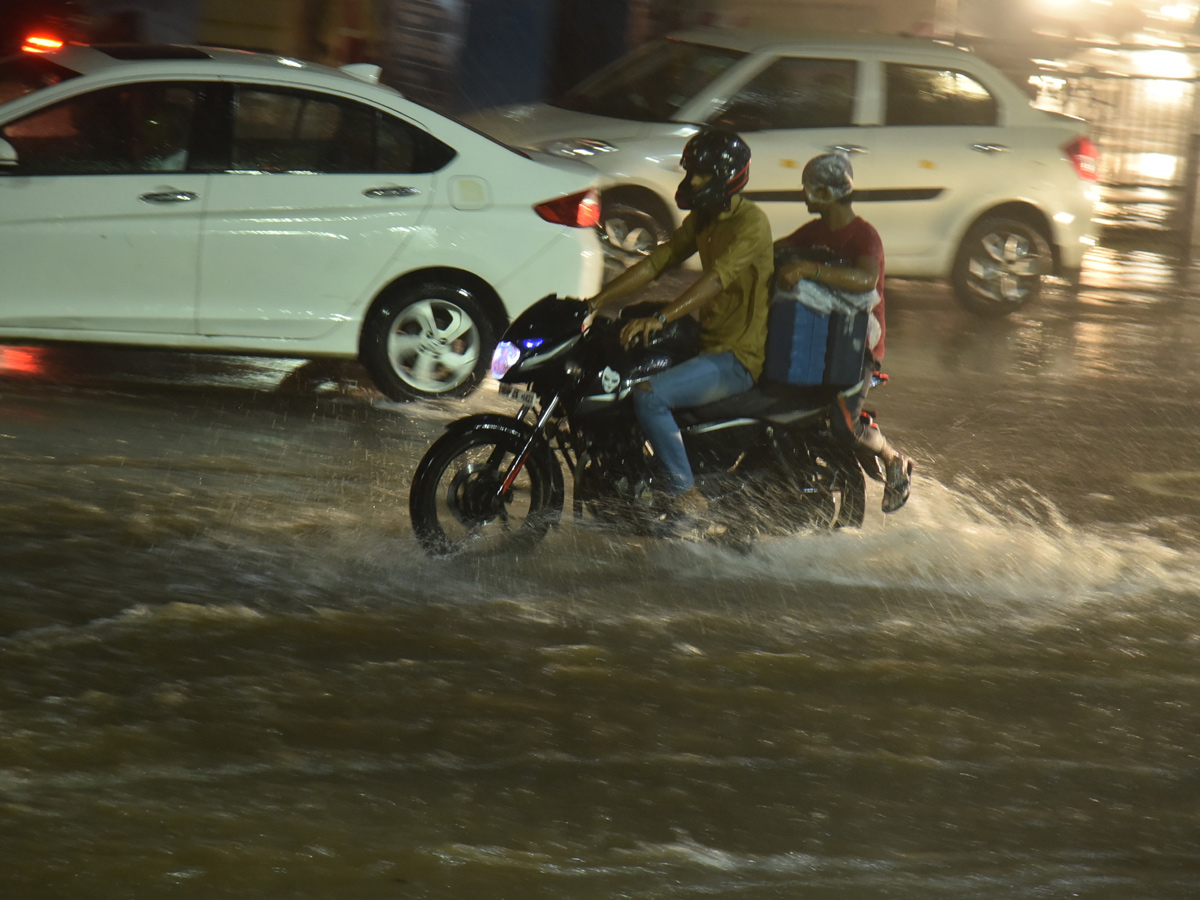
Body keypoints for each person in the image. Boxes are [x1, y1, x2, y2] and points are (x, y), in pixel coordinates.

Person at [584, 127, 774, 520]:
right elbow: (658, 261)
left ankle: (686, 496)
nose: (692, 182)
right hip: (706, 344)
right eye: (691, 173)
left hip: (737, 357)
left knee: (649, 396)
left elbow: (717, 278)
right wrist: (595, 301)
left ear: (726, 178)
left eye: (700, 175)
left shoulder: (751, 224)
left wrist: (661, 317)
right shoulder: (705, 218)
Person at [775, 152, 913, 512]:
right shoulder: (815, 231)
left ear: (829, 192)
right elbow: (777, 250)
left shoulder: (863, 236)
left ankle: (893, 457)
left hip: (857, 343)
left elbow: (866, 278)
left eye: (809, 189)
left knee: (843, 424)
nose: (804, 196)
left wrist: (810, 270)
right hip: (818, 335)